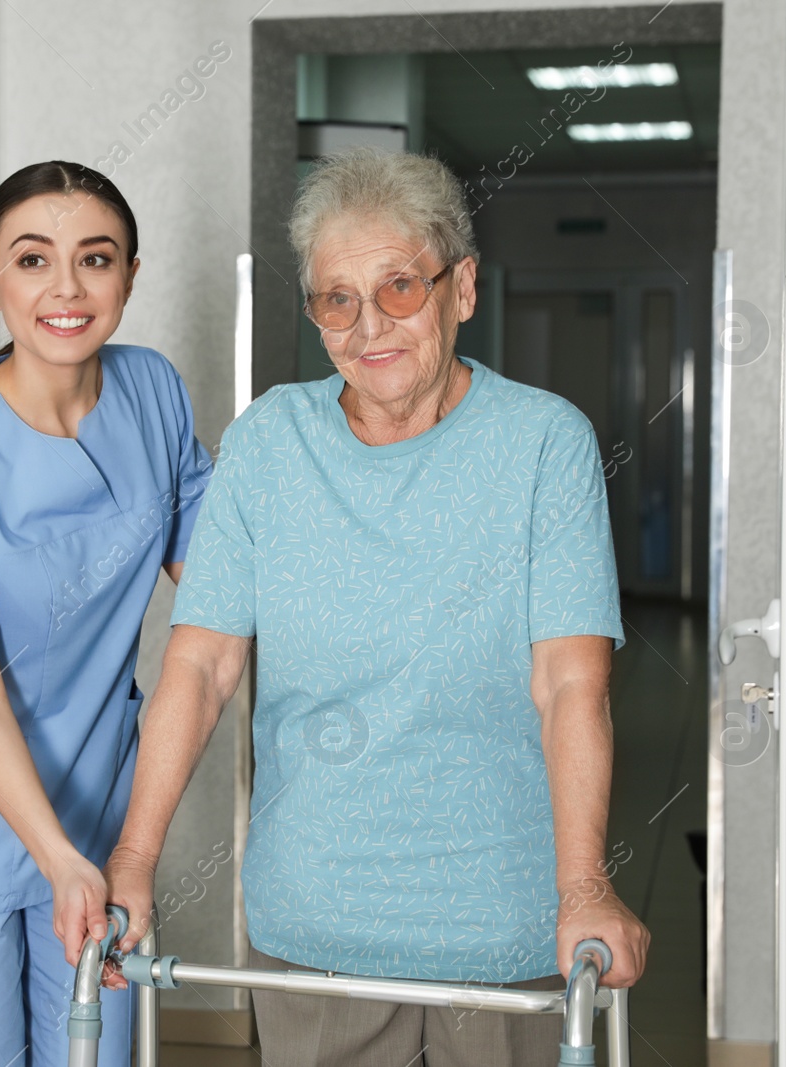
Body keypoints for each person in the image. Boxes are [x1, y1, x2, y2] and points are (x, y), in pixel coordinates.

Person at [102, 147, 650, 1066]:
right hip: (317, 925)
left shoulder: (545, 444)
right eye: (336, 299)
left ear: (462, 288)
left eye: (400, 286)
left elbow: (569, 684)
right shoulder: (269, 442)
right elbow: (200, 667)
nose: (369, 327)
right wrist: (135, 856)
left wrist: (585, 886)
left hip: (506, 923)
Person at [0, 160, 213, 1067]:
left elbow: (220, 580)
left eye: (96, 258)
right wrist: (59, 858)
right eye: (31, 260)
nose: (66, 288)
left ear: (131, 276)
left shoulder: (154, 392)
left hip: (101, 811)